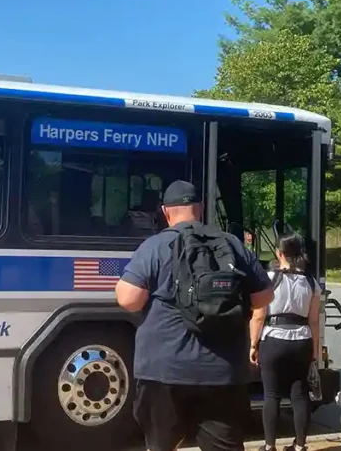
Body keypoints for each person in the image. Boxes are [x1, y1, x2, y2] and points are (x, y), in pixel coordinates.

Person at [115, 180, 274, 451]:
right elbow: (264, 297)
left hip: (164, 369)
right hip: (223, 371)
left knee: (161, 445)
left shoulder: (154, 247)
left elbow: (130, 300)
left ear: (166, 212)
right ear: (199, 209)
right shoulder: (231, 244)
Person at [249, 233, 321, 451]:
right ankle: (300, 446)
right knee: (299, 395)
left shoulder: (268, 279)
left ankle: (269, 446)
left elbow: (259, 316)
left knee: (271, 394)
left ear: (279, 254)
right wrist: (314, 351)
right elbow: (314, 320)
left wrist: (253, 344)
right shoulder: (311, 281)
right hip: (302, 341)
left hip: (274, 340)